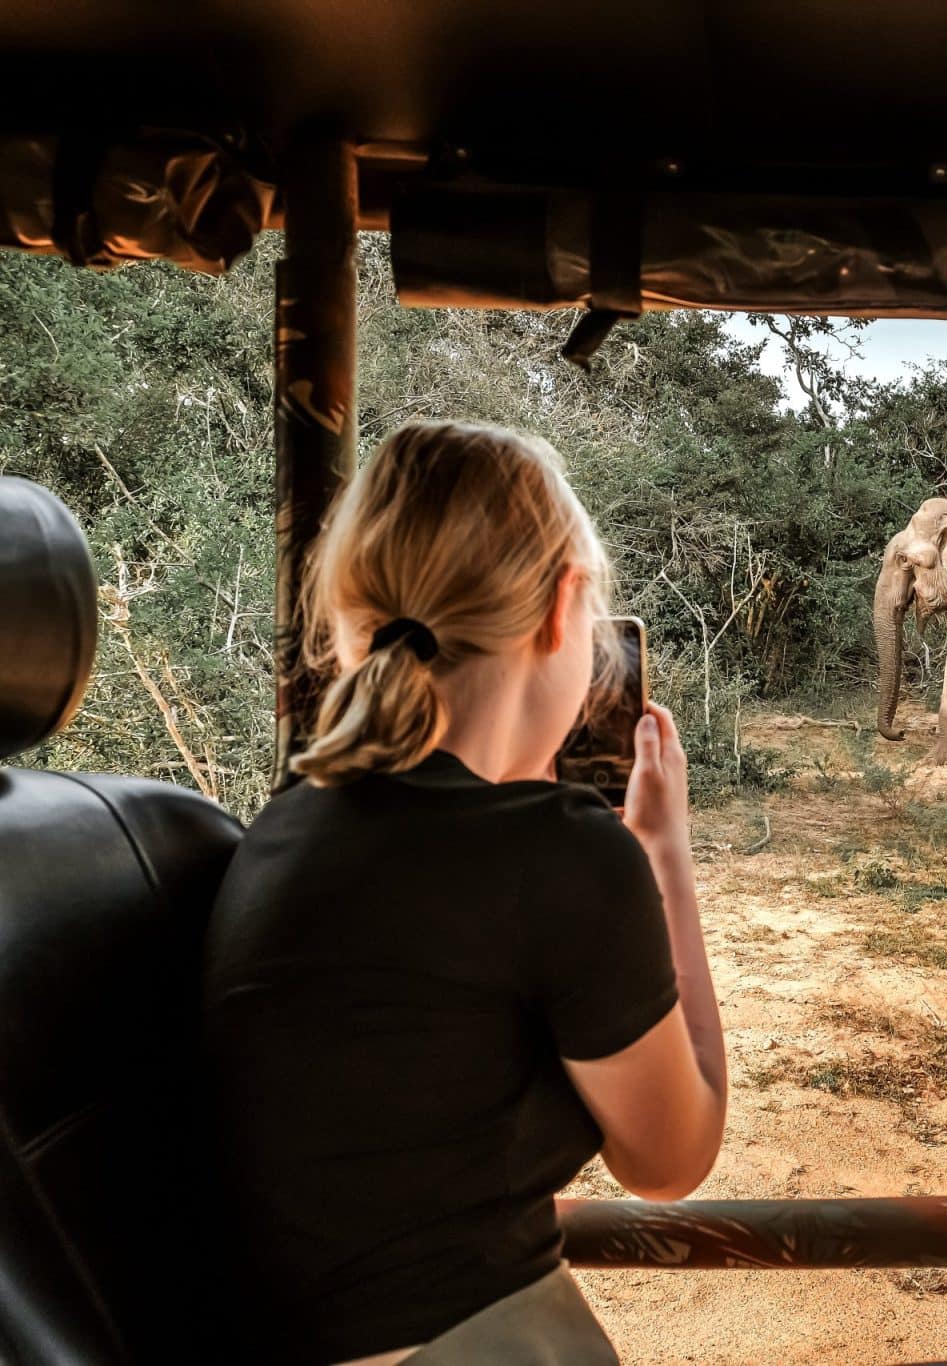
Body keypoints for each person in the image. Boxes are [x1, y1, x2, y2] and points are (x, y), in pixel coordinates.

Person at [203, 421, 725, 1366]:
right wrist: (662, 854)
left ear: (359, 619)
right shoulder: (557, 857)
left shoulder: (287, 827)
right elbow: (672, 1158)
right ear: (566, 609)